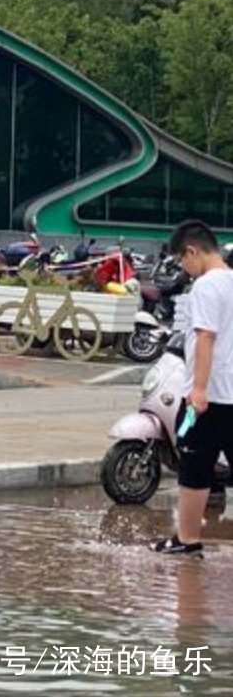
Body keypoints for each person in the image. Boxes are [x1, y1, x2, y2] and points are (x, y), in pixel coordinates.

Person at [152, 220, 233, 557]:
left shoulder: (206, 286)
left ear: (192, 251)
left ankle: (186, 539)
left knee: (195, 466)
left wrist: (197, 389)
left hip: (211, 394)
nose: (184, 270)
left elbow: (205, 337)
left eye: (182, 262)